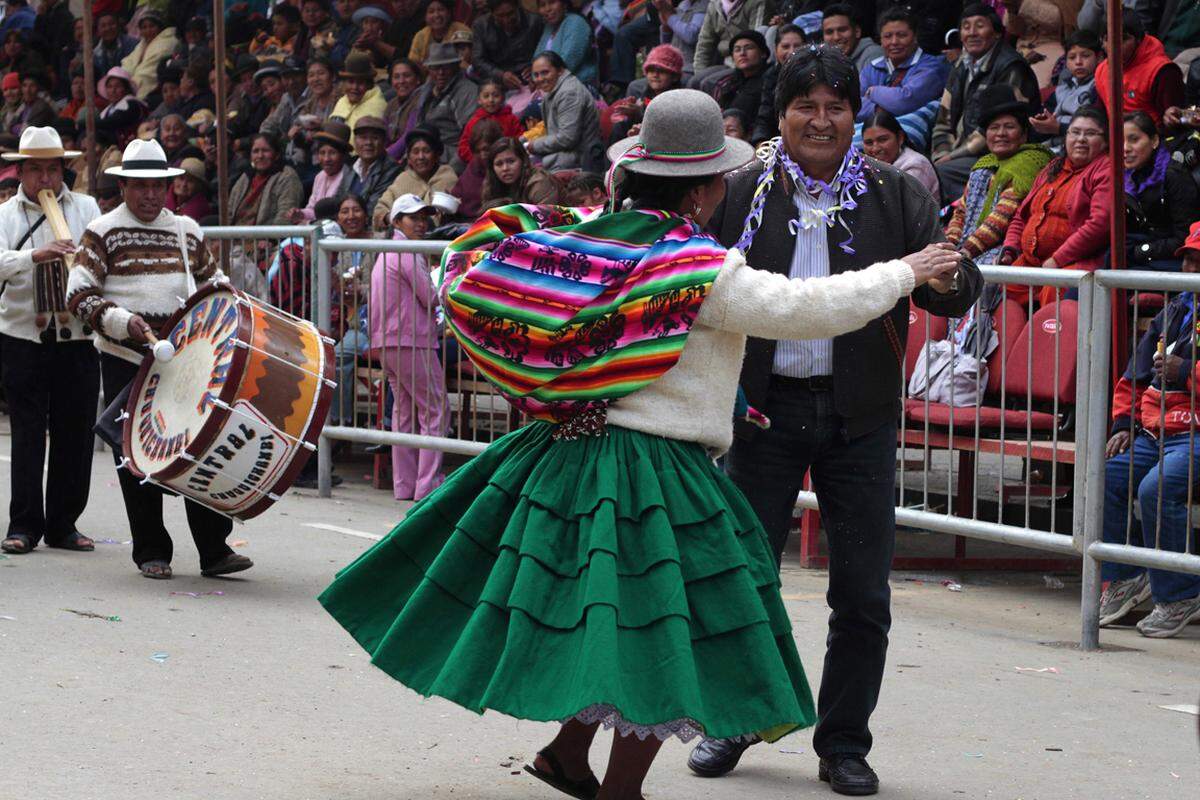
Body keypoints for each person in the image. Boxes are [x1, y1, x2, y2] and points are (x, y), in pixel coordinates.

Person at [319, 86, 962, 800]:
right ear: (703, 189)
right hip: (654, 471)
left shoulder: (593, 235)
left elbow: (513, 284)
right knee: (665, 637)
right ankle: (621, 791)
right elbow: (806, 309)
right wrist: (907, 271)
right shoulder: (698, 266)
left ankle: (567, 754)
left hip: (574, 453)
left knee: (619, 625)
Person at [688, 46, 982, 796]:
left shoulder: (894, 193)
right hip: (760, 414)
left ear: (857, 116)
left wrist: (952, 274)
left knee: (862, 593)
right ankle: (733, 719)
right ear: (779, 115)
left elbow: (946, 287)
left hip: (861, 418)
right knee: (743, 579)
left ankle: (844, 741)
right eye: (805, 106)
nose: (821, 121)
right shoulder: (738, 190)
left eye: (837, 107)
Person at [65, 138, 252, 580]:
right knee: (137, 457)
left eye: (157, 186)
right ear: (125, 186)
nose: (150, 195)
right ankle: (151, 550)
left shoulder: (187, 230)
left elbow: (216, 283)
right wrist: (120, 321)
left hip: (187, 359)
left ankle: (214, 548)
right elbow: (78, 294)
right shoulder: (103, 231)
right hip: (125, 359)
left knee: (197, 447)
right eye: (140, 186)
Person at [0, 126, 101, 556]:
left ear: (64, 170)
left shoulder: (86, 207)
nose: (45, 179)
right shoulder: (5, 215)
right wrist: (34, 256)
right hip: (23, 334)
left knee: (74, 431)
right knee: (26, 431)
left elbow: (102, 255)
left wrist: (81, 257)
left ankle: (64, 523)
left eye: (52, 169)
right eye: (35, 170)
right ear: (20, 171)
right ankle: (23, 524)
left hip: (76, 336)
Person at [1098, 221, 1200, 638]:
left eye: (1199, 260)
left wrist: (1187, 371)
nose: (1190, 267)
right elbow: (1131, 378)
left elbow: (1178, 374)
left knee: (1155, 488)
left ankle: (1179, 593)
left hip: (1195, 435)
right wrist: (1124, 423)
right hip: (1157, 431)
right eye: (1188, 259)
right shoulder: (1173, 309)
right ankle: (1126, 575)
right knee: (1105, 475)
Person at [369, 193, 447, 501]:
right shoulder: (407, 251)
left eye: (424, 217)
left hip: (388, 340)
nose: (422, 223)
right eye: (414, 217)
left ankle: (405, 484)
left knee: (404, 412)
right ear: (397, 221)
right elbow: (429, 296)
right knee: (434, 409)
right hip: (410, 339)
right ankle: (428, 484)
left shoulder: (387, 251)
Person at [1000, 106, 1112, 307]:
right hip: (1031, 262)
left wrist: (1057, 260)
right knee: (996, 290)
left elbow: (1100, 225)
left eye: (1090, 134)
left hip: (1074, 263)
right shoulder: (1053, 167)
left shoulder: (1106, 168)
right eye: (1075, 132)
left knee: (1055, 290)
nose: (1081, 139)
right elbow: (1021, 216)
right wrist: (1009, 249)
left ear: (1105, 142)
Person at [931, 3, 1041, 204]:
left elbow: (998, 128)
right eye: (966, 26)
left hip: (997, 152)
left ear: (997, 33)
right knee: (926, 166)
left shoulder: (1011, 67)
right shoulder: (960, 66)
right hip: (959, 153)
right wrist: (941, 152)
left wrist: (950, 157)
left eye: (980, 25)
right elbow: (943, 119)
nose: (971, 33)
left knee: (938, 172)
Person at [943, 86, 1052, 264]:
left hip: (1002, 250)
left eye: (1009, 127)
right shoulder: (984, 165)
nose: (1001, 133)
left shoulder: (1029, 163)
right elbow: (961, 212)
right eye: (994, 128)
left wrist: (965, 251)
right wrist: (950, 245)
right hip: (966, 249)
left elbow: (1003, 216)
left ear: (1024, 134)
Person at [856, 6, 950, 153]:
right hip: (871, 138)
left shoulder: (932, 66)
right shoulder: (872, 68)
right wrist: (881, 107)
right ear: (880, 40)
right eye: (887, 36)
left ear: (915, 37)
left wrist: (873, 92)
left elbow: (905, 101)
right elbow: (853, 105)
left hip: (912, 145)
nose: (894, 42)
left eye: (901, 35)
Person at [1123, 110, 1199, 272]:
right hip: (1142, 252)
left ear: (1155, 141)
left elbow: (1185, 238)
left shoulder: (1174, 176)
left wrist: (1141, 250)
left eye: (1134, 140)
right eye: (1119, 141)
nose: (1125, 148)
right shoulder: (1122, 176)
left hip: (1173, 259)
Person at [1095, 15, 1185, 128]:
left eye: (1123, 39)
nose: (1115, 46)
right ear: (1102, 43)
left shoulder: (1163, 71)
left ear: (1139, 40)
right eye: (1108, 39)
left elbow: (1174, 123)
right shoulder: (1101, 70)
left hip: (1153, 141)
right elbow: (1100, 117)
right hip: (1115, 139)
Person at [527, 51, 602, 172]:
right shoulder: (554, 87)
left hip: (582, 157)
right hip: (567, 151)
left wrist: (535, 145)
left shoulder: (568, 93)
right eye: (536, 75)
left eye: (545, 72)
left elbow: (568, 138)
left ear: (560, 70)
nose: (540, 79)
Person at [1029, 28, 1101, 152]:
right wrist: (1041, 123)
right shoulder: (1061, 90)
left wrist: (1058, 128)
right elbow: (1045, 118)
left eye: (1085, 56)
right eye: (1072, 57)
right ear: (1066, 62)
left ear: (1099, 57)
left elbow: (1097, 129)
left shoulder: (1098, 87)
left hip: (1079, 149)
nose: (1078, 62)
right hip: (1050, 146)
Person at [373, 125, 459, 227]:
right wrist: (393, 219)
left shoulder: (448, 178)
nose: (421, 157)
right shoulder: (403, 180)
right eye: (415, 152)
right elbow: (379, 211)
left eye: (426, 151)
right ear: (408, 158)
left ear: (436, 155)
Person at [415, 42, 478, 169]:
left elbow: (471, 137)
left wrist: (450, 171)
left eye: (446, 67)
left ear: (456, 67)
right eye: (435, 68)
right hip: (425, 154)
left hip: (451, 156)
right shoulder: (427, 90)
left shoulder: (466, 91)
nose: (440, 73)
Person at [609, 44, 685, 143]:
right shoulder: (641, 91)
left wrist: (639, 115)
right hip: (641, 133)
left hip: (668, 142)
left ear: (675, 76)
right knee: (619, 126)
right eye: (651, 70)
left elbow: (672, 129)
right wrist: (628, 115)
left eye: (661, 71)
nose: (655, 75)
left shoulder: (681, 99)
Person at [691, 0, 769, 92]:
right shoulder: (715, 4)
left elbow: (757, 38)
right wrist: (700, 72)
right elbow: (705, 43)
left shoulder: (756, 2)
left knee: (709, 84)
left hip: (747, 65)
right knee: (695, 82)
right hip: (727, 61)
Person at [861, 108, 940, 198]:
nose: (875, 149)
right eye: (869, 143)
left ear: (900, 138)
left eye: (883, 140)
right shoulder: (867, 166)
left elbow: (905, 209)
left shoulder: (915, 166)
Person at [228, 133, 305, 227]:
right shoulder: (246, 177)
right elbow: (229, 212)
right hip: (235, 236)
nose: (260, 156)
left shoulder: (287, 176)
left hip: (265, 237)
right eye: (255, 151)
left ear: (276, 154)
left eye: (265, 150)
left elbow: (286, 214)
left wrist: (271, 240)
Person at [748, 23, 804, 144]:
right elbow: (765, 116)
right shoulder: (771, 76)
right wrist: (760, 142)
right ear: (776, 49)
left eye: (797, 46)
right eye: (785, 46)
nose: (792, 52)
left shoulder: (818, 75)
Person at [291, 120, 357, 223]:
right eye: (322, 153)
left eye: (332, 153)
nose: (326, 159)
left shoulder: (349, 177)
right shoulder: (320, 176)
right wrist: (301, 213)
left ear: (343, 155)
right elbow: (312, 209)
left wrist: (308, 222)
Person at [1008, 0, 1083, 88]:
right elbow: (1016, 30)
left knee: (1034, 85)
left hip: (1054, 43)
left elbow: (1057, 19)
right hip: (1023, 45)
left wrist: (1020, 4)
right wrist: (1012, 10)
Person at [472, 0, 543, 88]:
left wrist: (536, 67)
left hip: (533, 78)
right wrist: (500, 75)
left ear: (518, 7)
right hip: (500, 84)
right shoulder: (481, 26)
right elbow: (477, 60)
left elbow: (545, 51)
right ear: (491, 13)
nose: (506, 20)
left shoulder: (535, 22)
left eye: (510, 13)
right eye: (500, 16)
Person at [480, 134, 560, 208]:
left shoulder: (540, 183)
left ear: (523, 161)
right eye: (499, 164)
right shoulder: (491, 182)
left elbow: (547, 219)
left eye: (511, 161)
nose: (505, 168)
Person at [458, 78, 524, 164]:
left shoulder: (511, 119)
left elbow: (520, 139)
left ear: (503, 98)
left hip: (507, 162)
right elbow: (463, 147)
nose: (491, 100)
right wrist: (477, 159)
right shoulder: (473, 122)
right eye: (486, 96)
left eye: (496, 95)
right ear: (479, 100)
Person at [712, 30, 768, 131]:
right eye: (737, 50)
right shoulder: (727, 83)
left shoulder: (769, 81)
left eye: (749, 48)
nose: (742, 53)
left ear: (763, 53)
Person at [120, 9, 179, 101]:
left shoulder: (167, 43)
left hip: (152, 93)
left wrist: (130, 88)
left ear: (160, 27)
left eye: (152, 26)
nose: (148, 30)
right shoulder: (141, 45)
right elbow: (128, 63)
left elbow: (148, 73)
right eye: (144, 27)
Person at [533, 0, 596, 86]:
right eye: (542, 5)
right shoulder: (549, 28)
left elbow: (566, 64)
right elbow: (536, 59)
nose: (547, 9)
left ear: (564, 3)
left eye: (552, 2)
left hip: (579, 87)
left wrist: (538, 77)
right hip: (549, 86)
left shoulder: (576, 23)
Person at [451, 117, 503, 218]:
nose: (483, 155)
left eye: (486, 150)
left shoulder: (505, 170)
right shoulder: (472, 169)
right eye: (478, 151)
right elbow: (457, 198)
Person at [349, 115, 402, 212]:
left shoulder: (392, 171)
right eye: (363, 137)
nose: (368, 142)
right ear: (355, 141)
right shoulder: (350, 166)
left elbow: (372, 209)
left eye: (375, 138)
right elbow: (338, 200)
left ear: (384, 142)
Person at [331, 53, 388, 130]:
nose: (355, 87)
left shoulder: (376, 107)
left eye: (360, 83)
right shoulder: (343, 101)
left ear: (369, 85)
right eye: (351, 82)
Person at [821, 3, 882, 73]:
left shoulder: (873, 55)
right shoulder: (824, 61)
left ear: (857, 32)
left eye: (842, 30)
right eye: (829, 32)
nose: (836, 37)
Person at [408, 0, 471, 64]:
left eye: (441, 10)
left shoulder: (461, 30)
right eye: (431, 11)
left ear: (449, 13)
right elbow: (413, 64)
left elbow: (465, 61)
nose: (436, 15)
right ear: (425, 17)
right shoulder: (420, 35)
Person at [383, 57, 423, 158]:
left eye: (407, 76)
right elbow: (383, 136)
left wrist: (386, 157)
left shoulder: (420, 102)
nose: (401, 81)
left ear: (417, 79)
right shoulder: (391, 105)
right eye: (396, 77)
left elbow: (409, 136)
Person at [93, 11, 137, 76]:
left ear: (118, 25)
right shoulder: (95, 52)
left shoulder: (133, 44)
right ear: (98, 30)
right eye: (103, 26)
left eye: (111, 24)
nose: (108, 28)